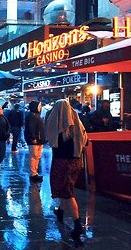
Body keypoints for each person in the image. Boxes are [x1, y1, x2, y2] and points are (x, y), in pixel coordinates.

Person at [45, 99, 88, 240]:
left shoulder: (57, 126)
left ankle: (77, 224)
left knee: (67, 193)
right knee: (65, 189)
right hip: (76, 162)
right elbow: (85, 141)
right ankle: (61, 211)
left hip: (62, 163)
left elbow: (50, 140)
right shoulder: (78, 124)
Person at [24, 101, 46, 183]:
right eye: (39, 106)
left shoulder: (34, 115)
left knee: (37, 156)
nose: (40, 107)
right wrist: (33, 137)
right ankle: (33, 173)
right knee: (34, 156)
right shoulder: (31, 116)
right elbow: (31, 128)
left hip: (39, 140)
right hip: (35, 140)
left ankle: (35, 172)